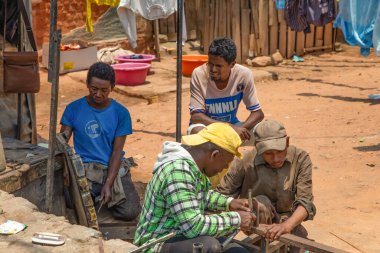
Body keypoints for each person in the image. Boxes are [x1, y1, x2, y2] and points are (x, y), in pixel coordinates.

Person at [134, 123, 256, 253]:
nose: (224, 169)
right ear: (214, 155)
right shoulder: (177, 172)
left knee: (238, 251)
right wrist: (236, 219)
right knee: (208, 247)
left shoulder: (193, 165)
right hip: (157, 243)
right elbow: (193, 226)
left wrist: (229, 203)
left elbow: (198, 195)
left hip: (181, 235)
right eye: (225, 164)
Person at [216, 120, 316, 249]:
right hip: (255, 223)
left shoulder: (301, 158)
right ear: (257, 147)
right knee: (262, 202)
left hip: (288, 222)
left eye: (280, 151)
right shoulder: (243, 161)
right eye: (268, 153)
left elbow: (305, 202)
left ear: (287, 142)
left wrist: (286, 226)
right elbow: (220, 197)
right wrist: (248, 206)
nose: (275, 159)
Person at [60, 62, 141, 221]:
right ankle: (99, 197)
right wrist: (65, 169)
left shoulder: (121, 113)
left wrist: (109, 184)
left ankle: (103, 196)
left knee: (130, 212)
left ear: (113, 87)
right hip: (86, 169)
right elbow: (62, 142)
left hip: (112, 167)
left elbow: (117, 152)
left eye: (104, 90)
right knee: (71, 202)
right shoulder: (73, 109)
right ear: (87, 84)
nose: (98, 94)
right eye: (94, 89)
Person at [189, 37, 264, 144]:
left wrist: (240, 129)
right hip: (207, 127)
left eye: (219, 66)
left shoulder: (243, 75)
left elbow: (258, 113)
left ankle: (259, 161)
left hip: (233, 125)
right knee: (198, 133)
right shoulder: (199, 74)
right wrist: (230, 129)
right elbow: (196, 117)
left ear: (232, 64)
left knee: (267, 133)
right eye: (210, 63)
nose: (213, 69)